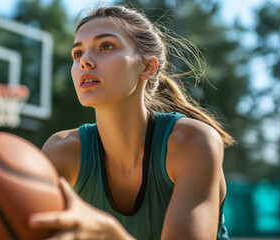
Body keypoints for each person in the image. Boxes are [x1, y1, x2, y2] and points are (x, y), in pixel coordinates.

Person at [29, 5, 235, 240]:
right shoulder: (62, 150)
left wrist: (112, 235)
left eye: (106, 46)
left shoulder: (193, 143)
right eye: (77, 53)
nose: (84, 61)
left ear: (147, 66)